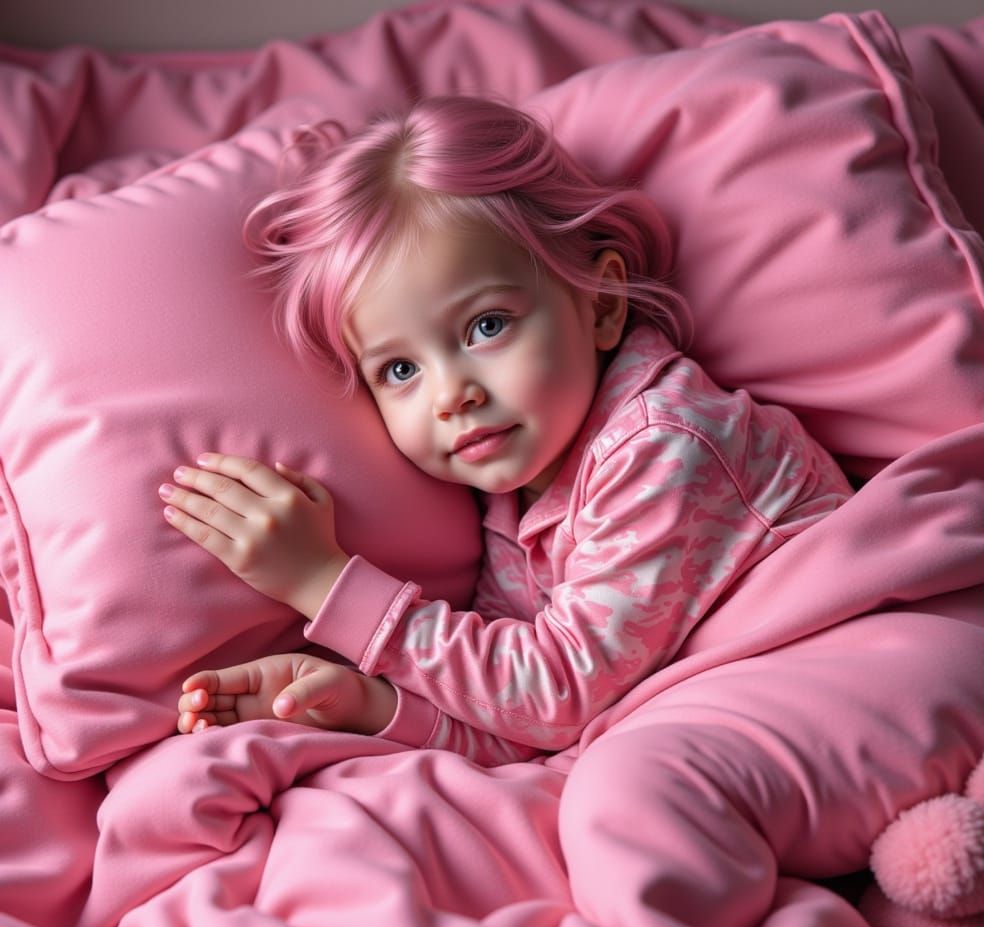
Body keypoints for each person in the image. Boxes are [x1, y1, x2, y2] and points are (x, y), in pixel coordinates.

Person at [160, 96, 852, 766]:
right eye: (400, 369)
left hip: (845, 669)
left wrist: (322, 581)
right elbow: (525, 723)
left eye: (486, 326)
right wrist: (368, 705)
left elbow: (557, 694)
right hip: (741, 719)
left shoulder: (664, 443)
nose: (451, 395)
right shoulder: (510, 504)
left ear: (602, 303)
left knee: (628, 794)